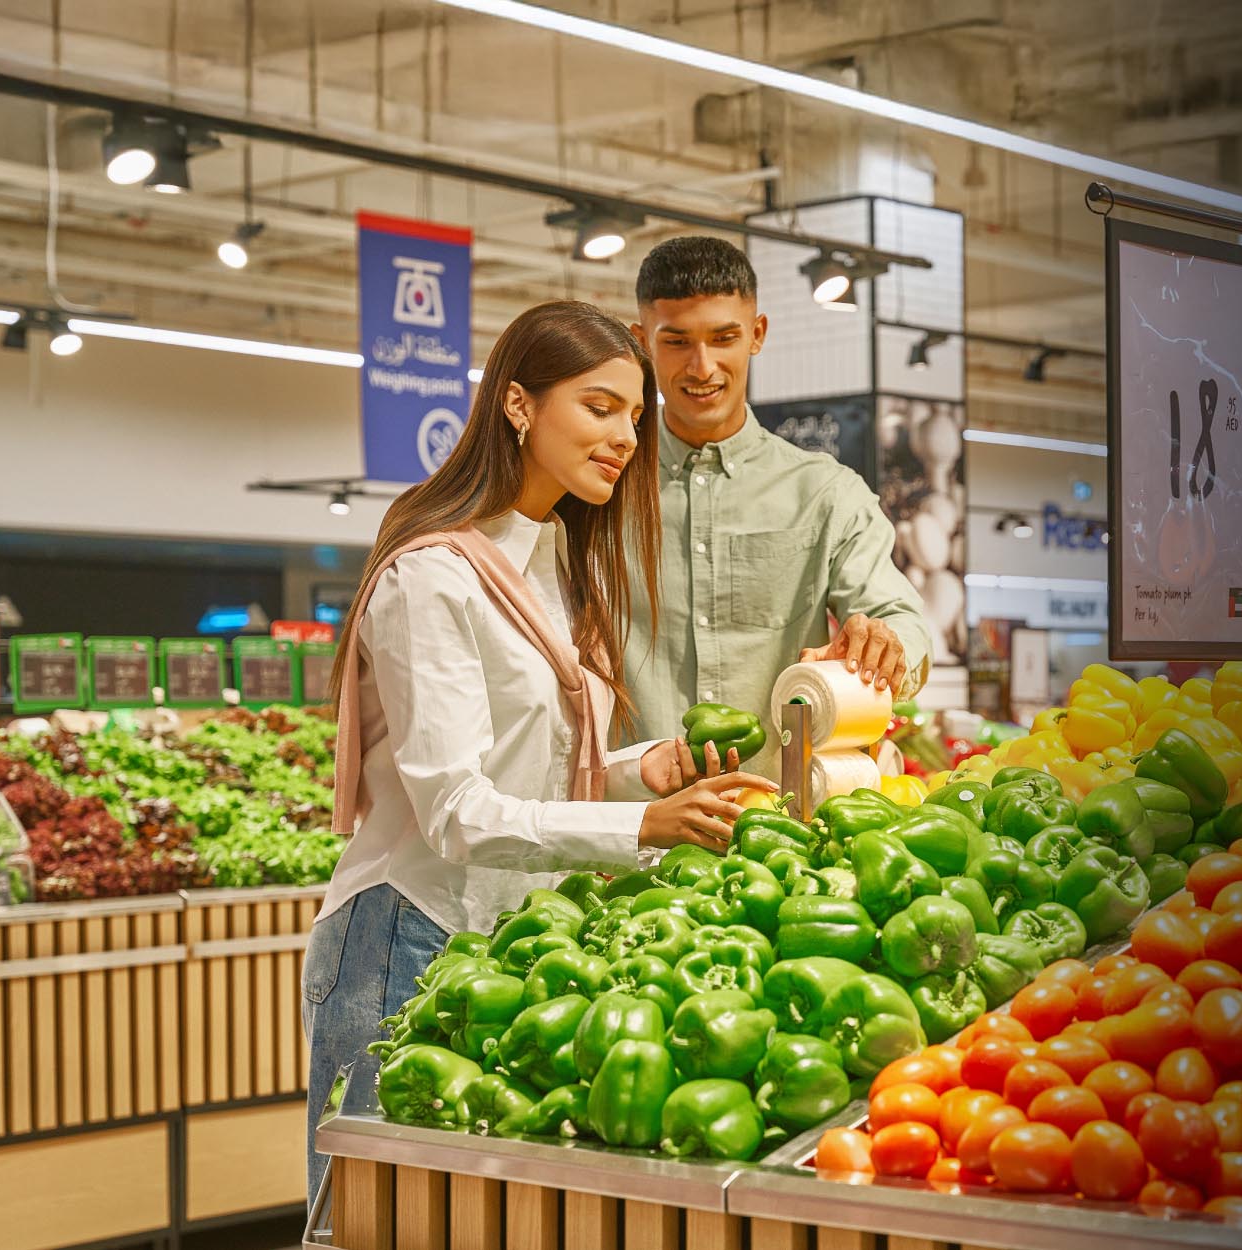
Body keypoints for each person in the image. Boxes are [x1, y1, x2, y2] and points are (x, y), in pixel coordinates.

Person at [300, 299, 775, 1204]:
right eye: (599, 408)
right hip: (406, 931)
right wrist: (643, 823)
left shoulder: (556, 558)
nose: (626, 437)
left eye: (634, 416)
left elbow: (540, 760)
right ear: (517, 405)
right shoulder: (430, 575)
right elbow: (455, 811)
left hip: (514, 937)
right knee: (370, 1221)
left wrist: (646, 768)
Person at [625, 237, 934, 764]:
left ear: (757, 335)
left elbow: (901, 618)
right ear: (642, 343)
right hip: (628, 822)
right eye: (677, 342)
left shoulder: (825, 494)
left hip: (781, 823)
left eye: (724, 338)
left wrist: (885, 644)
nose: (702, 367)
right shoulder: (602, 487)